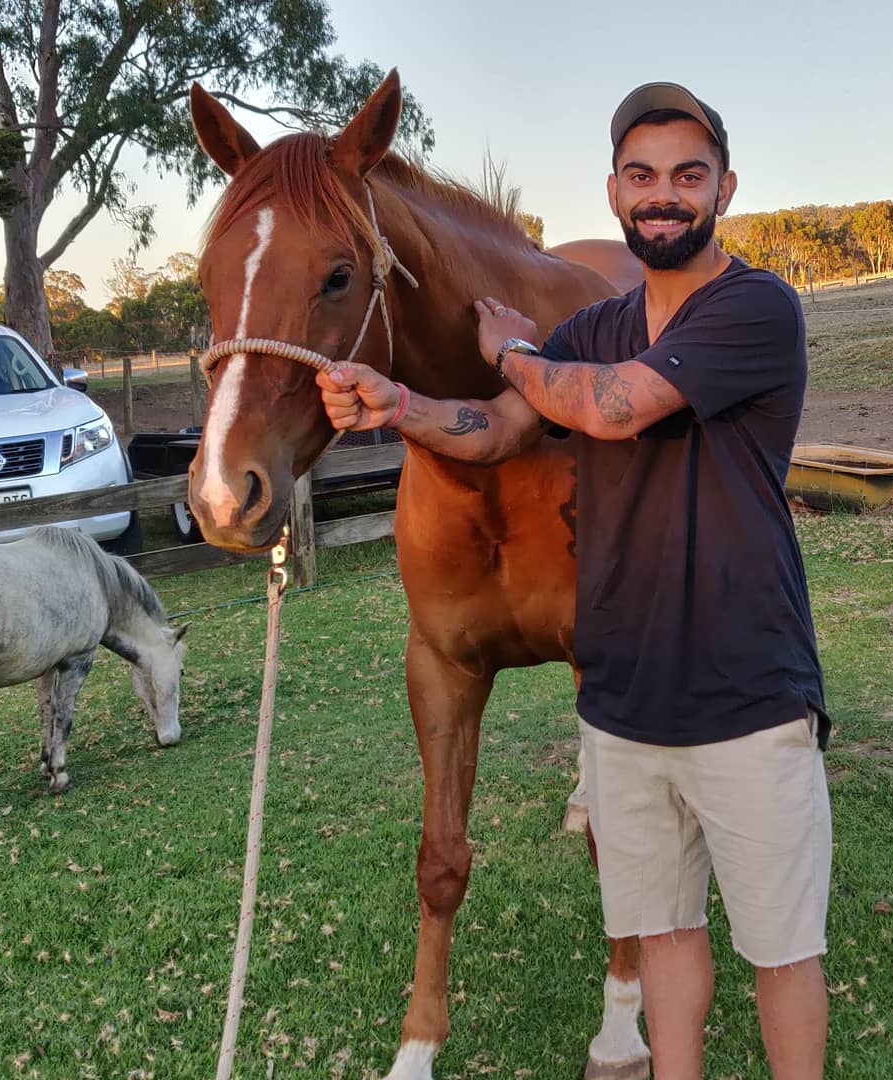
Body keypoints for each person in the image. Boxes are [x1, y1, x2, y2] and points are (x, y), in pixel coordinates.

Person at [317, 82, 832, 1079]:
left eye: (688, 175)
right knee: (671, 936)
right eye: (643, 176)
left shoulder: (755, 307)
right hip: (627, 704)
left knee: (781, 953)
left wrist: (509, 348)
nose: (665, 196)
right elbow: (501, 429)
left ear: (725, 187)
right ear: (614, 192)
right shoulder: (597, 326)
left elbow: (606, 408)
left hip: (748, 692)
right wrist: (400, 404)